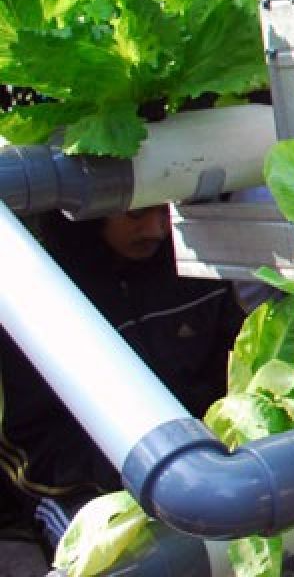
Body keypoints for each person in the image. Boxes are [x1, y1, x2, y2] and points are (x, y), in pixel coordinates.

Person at [0, 205, 245, 560]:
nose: (156, 230)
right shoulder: (35, 292)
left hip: (201, 462)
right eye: (137, 216)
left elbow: (232, 368)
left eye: (164, 212)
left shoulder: (196, 267)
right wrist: (120, 481)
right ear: (88, 213)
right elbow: (30, 440)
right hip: (81, 486)